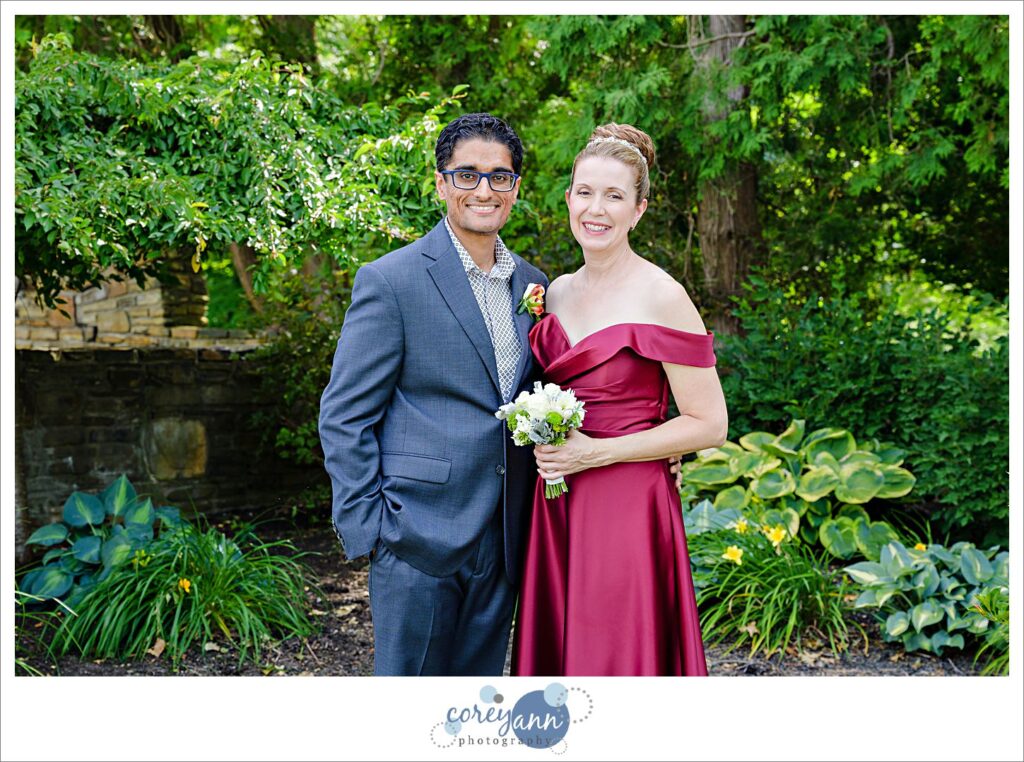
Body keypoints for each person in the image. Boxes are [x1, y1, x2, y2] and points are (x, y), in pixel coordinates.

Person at [318, 113, 548, 675]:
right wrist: (368, 530)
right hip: (415, 534)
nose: (485, 189)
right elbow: (344, 415)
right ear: (442, 183)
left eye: (500, 176)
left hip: (503, 537)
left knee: (475, 705)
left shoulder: (534, 285)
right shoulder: (391, 280)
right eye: (467, 175)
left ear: (515, 189)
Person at [511, 123, 729, 676]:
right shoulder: (553, 292)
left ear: (639, 209)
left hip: (628, 501)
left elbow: (709, 424)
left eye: (614, 196)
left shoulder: (663, 294)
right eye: (586, 192)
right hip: (557, 500)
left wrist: (597, 454)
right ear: (568, 199)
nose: (596, 209)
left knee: (616, 651)